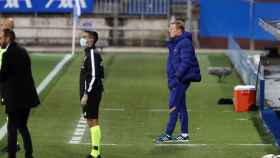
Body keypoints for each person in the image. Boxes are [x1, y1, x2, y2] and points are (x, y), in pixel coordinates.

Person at [155, 20, 201, 143]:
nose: (169, 31)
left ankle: (168, 134)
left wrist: (176, 77)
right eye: (169, 28)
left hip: (180, 79)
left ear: (179, 31)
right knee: (181, 106)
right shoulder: (176, 43)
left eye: (172, 29)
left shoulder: (184, 43)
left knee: (173, 105)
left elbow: (186, 62)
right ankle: (184, 134)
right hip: (176, 78)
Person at [0, 29, 40, 158]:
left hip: (14, 98)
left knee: (12, 128)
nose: (0, 41)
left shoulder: (8, 54)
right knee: (22, 126)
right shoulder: (23, 51)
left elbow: (3, 76)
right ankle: (29, 154)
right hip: (28, 97)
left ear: (8, 38)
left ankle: (12, 156)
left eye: (1, 38)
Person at [79, 30, 104, 158]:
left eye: (84, 37)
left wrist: (86, 94)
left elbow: (94, 76)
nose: (82, 39)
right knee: (92, 121)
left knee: (92, 120)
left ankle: (95, 153)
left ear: (92, 39)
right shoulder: (88, 54)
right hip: (91, 92)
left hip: (92, 93)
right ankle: (96, 151)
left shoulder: (92, 55)